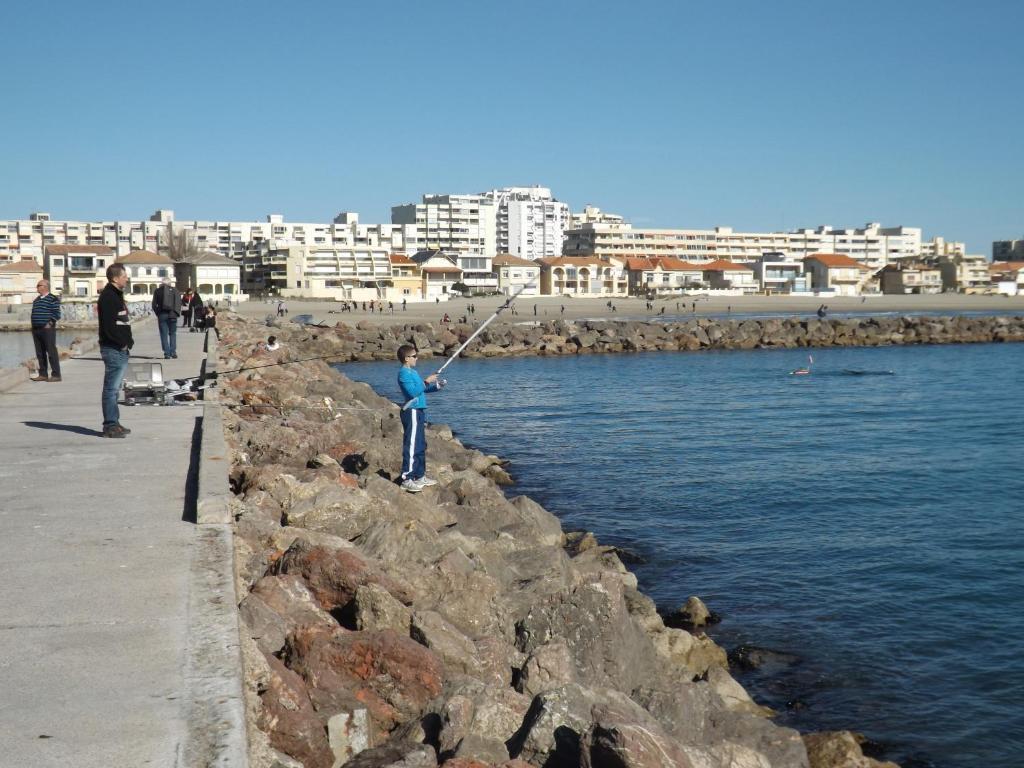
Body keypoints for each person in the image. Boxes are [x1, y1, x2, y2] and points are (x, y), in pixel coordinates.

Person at [396, 344, 444, 493]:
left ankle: (419, 475)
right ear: (406, 358)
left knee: (420, 445)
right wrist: (426, 381)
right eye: (414, 356)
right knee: (412, 445)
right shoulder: (403, 374)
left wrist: (436, 386)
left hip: (419, 411)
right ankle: (407, 478)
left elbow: (422, 390)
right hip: (412, 411)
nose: (417, 358)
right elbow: (413, 392)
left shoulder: (413, 372)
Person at [98, 264, 134, 438]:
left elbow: (122, 322)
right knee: (111, 389)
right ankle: (109, 425)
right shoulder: (108, 297)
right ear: (115, 278)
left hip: (120, 348)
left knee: (116, 388)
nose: (126, 279)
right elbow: (108, 327)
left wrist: (128, 343)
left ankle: (115, 422)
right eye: (124, 276)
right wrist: (122, 344)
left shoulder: (116, 295)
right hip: (113, 349)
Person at [30, 278, 62, 382]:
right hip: (36, 329)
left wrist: (50, 323)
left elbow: (57, 313)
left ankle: (56, 375)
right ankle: (43, 374)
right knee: (40, 353)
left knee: (51, 352)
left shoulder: (53, 298)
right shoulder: (37, 299)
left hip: (47, 329)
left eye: (38, 285)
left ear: (45, 287)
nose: (37, 287)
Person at [151, 277, 181, 359]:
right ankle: (173, 352)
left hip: (162, 315)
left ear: (162, 283)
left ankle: (167, 353)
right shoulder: (175, 290)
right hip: (173, 315)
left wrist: (158, 313)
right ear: (170, 283)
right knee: (172, 334)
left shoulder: (157, 291)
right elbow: (178, 302)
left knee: (163, 334)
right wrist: (176, 313)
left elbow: (154, 305)